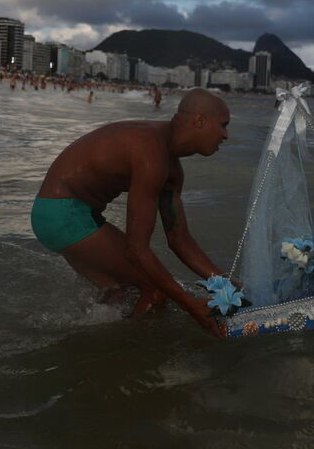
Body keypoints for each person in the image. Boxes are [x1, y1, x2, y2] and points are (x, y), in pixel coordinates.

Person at [31, 89, 231, 337]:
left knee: (118, 293)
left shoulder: (171, 170)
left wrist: (226, 284)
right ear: (200, 121)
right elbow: (137, 249)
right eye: (223, 125)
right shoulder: (151, 151)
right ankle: (131, 355)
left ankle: (89, 346)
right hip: (64, 215)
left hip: (62, 215)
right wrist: (192, 305)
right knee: (155, 291)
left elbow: (180, 240)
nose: (226, 135)